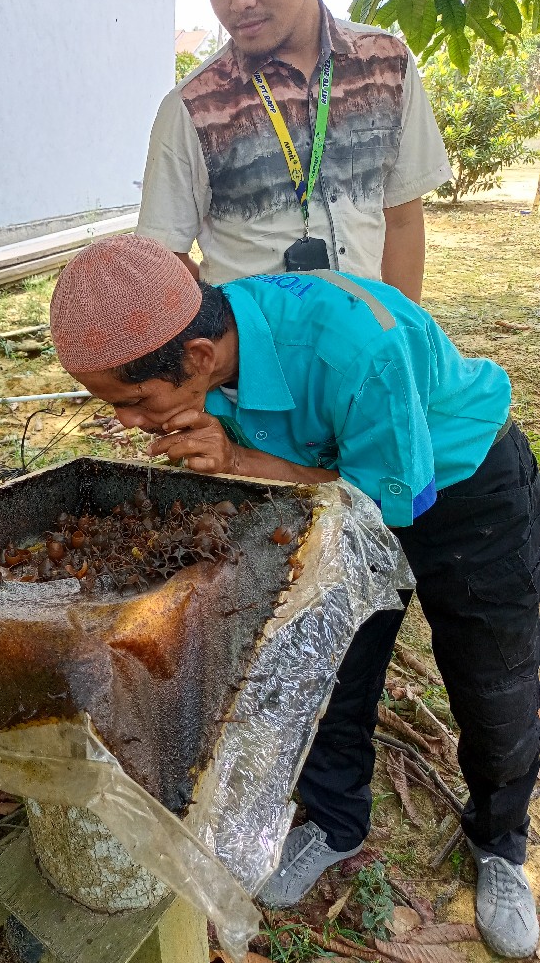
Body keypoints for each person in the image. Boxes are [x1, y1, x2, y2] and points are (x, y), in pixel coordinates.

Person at [49, 234, 540, 960]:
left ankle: (499, 842)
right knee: (330, 669)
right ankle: (336, 824)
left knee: (493, 682)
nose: (127, 424)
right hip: (327, 481)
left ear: (195, 358)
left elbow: (387, 503)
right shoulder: (210, 337)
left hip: (459, 490)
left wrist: (241, 458)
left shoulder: (355, 349)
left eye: (134, 402)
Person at [137, 0, 452, 301]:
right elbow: (162, 258)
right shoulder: (192, 107)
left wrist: (401, 337)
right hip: (259, 353)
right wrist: (233, 323)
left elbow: (402, 218)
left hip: (369, 351)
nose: (238, 2)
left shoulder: (385, 65)